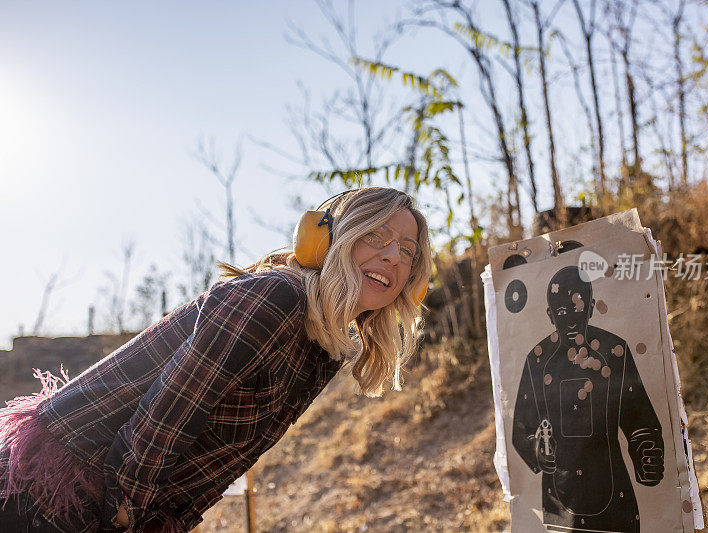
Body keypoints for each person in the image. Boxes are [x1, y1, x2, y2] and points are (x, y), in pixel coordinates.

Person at [0, 186, 432, 532]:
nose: (393, 255)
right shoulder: (276, 299)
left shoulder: (324, 345)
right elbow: (166, 415)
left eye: (407, 250)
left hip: (110, 502)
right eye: (375, 235)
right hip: (52, 492)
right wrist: (126, 514)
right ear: (328, 240)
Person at [510, 266, 664, 532]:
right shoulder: (537, 359)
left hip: (614, 495)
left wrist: (646, 452)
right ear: (550, 315)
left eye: (577, 308)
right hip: (559, 501)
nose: (570, 320)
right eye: (561, 312)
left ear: (591, 307)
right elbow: (522, 427)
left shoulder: (615, 351)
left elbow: (638, 415)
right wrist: (537, 450)